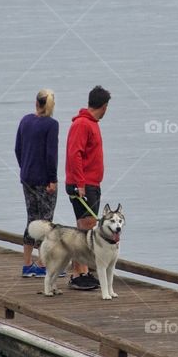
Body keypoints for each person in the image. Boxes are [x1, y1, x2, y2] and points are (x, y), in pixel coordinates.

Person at [64, 85, 111, 290]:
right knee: (85, 229)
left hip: (91, 183)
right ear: (104, 106)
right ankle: (78, 275)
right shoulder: (82, 124)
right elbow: (75, 154)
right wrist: (80, 183)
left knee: (86, 228)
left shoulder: (91, 123)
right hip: (83, 185)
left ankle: (83, 271)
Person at [14, 89, 59, 278]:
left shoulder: (25, 120)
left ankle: (27, 264)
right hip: (44, 180)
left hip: (27, 177)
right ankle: (42, 263)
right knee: (46, 221)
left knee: (31, 219)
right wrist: (52, 179)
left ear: (36, 102)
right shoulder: (51, 124)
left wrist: (24, 167)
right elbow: (51, 154)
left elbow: (18, 148)